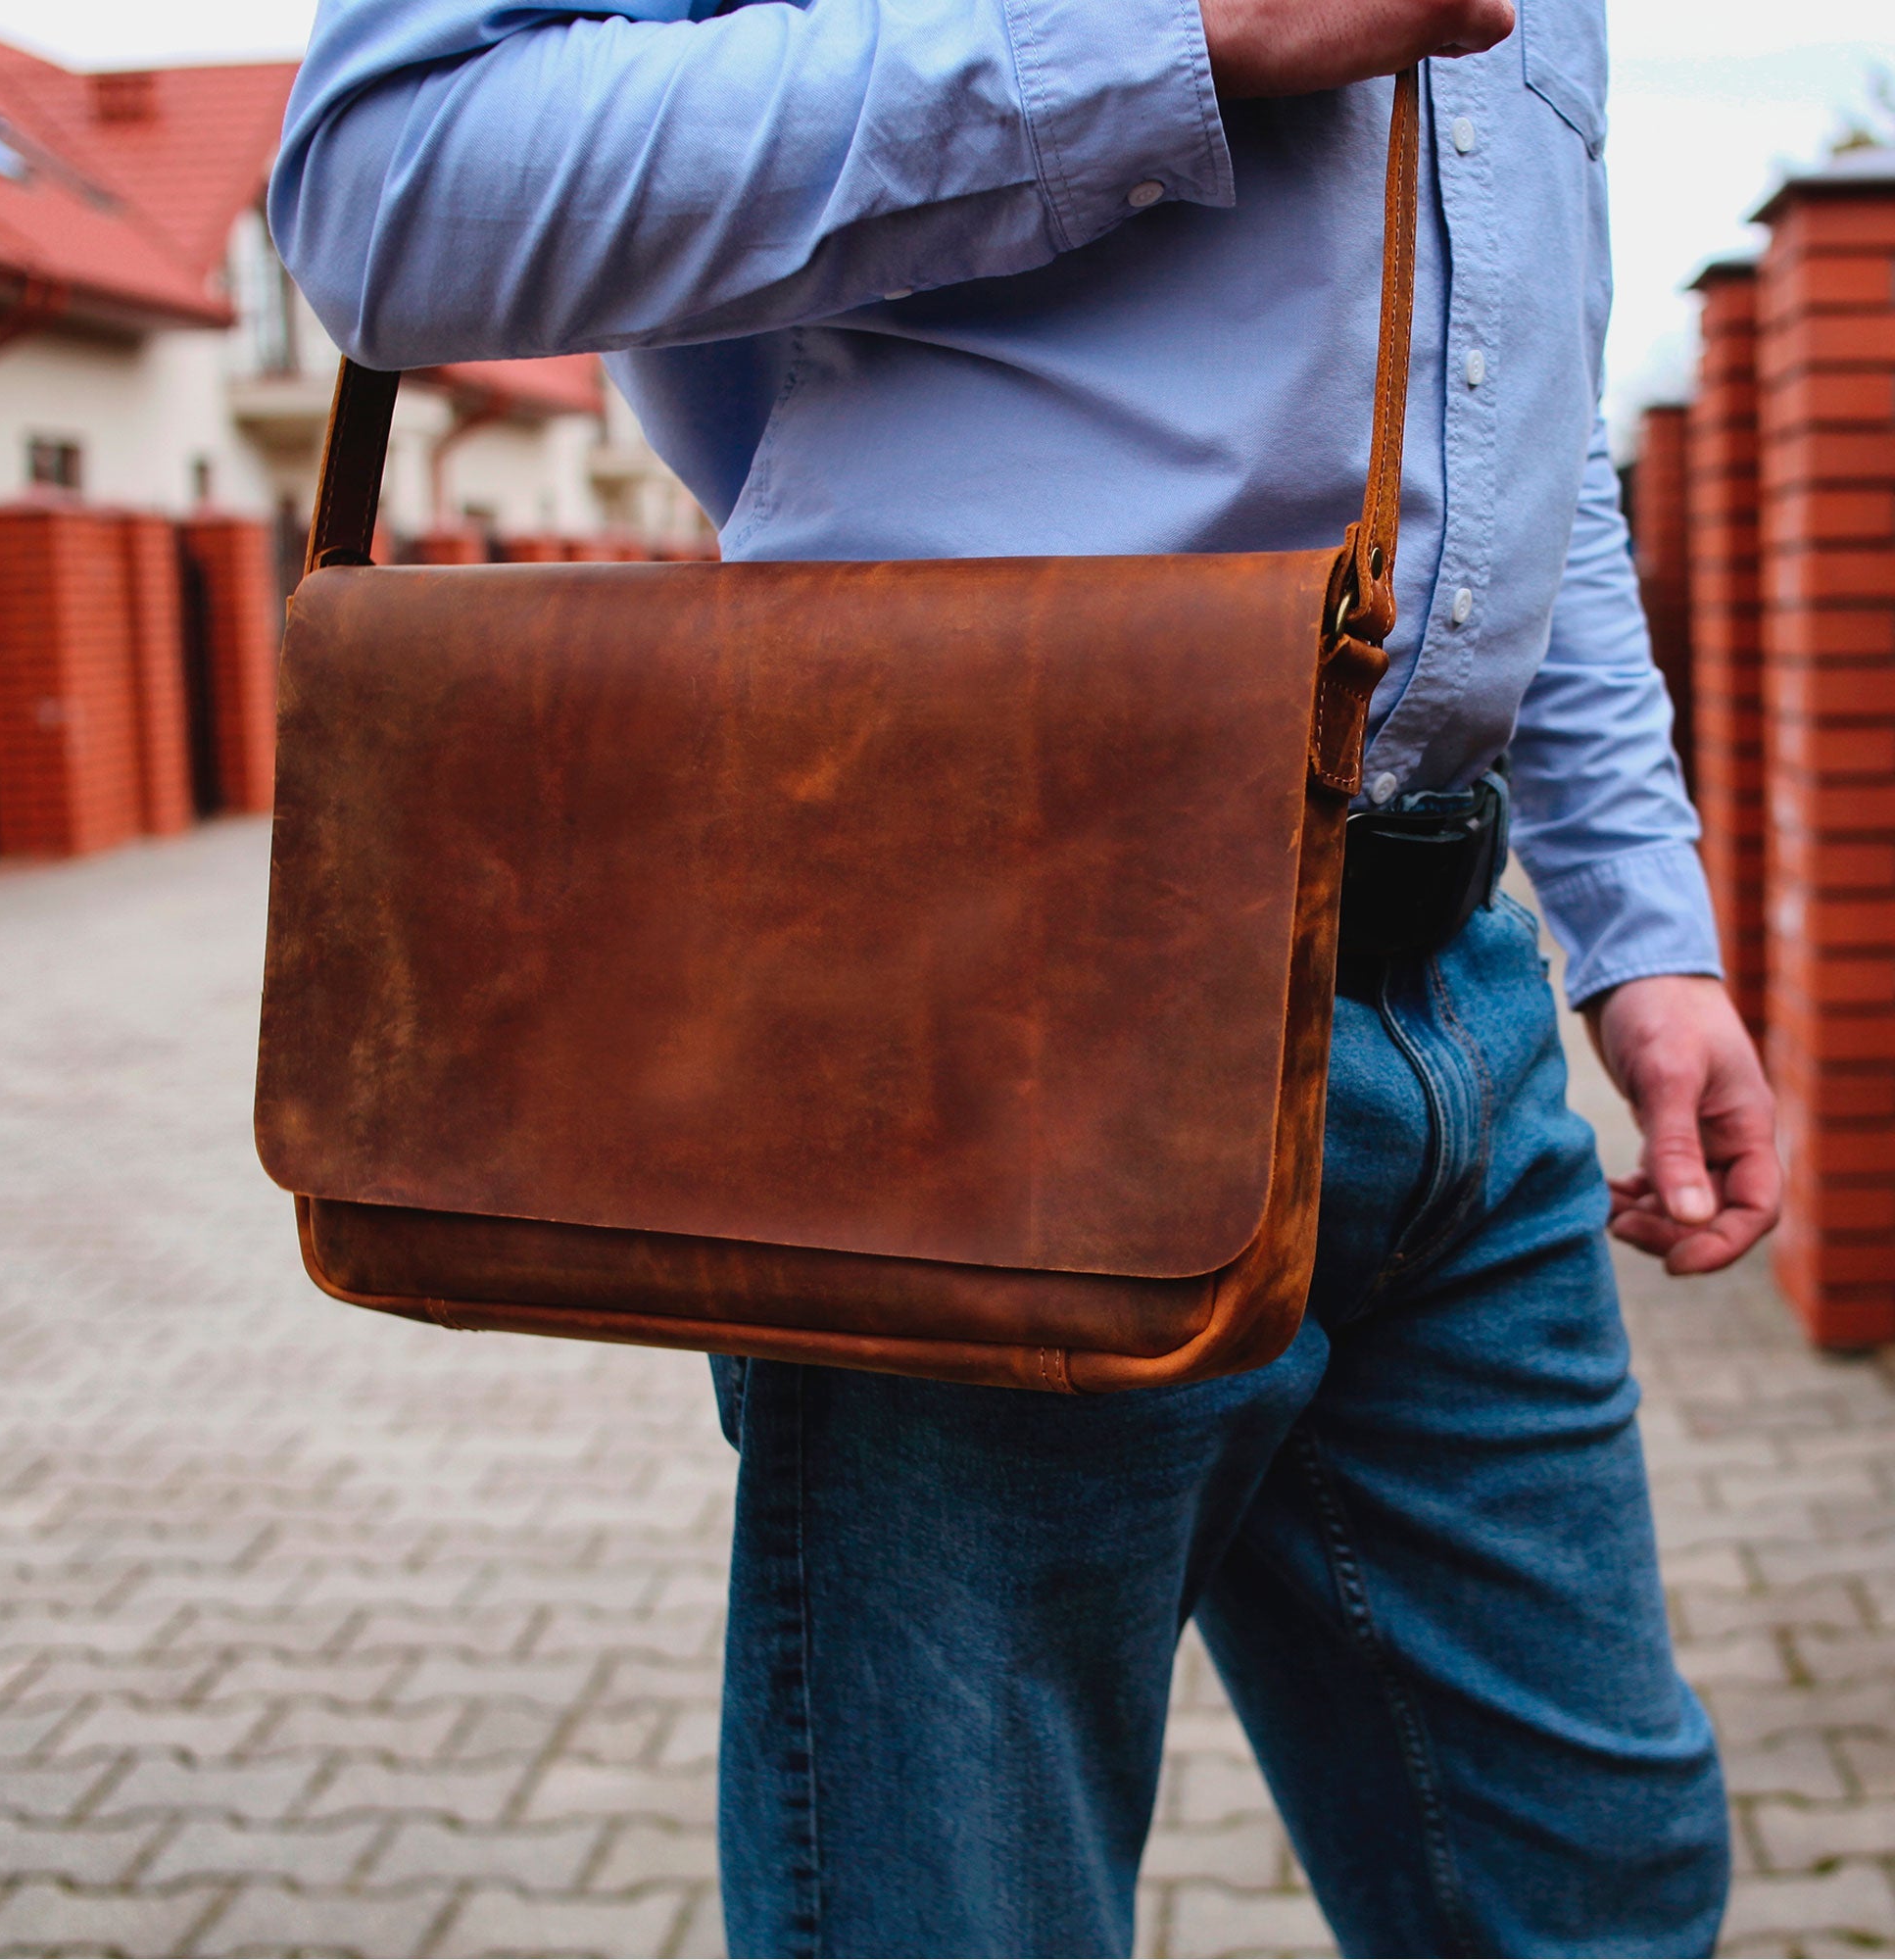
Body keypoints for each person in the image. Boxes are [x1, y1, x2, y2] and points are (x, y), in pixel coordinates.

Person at [271, 0, 1780, 1951]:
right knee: (952, 1901)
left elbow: (1514, 388)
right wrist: (1180, 34)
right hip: (982, 988)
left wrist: (1638, 919)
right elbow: (390, 200)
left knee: (1600, 1884)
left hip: (1458, 1007)